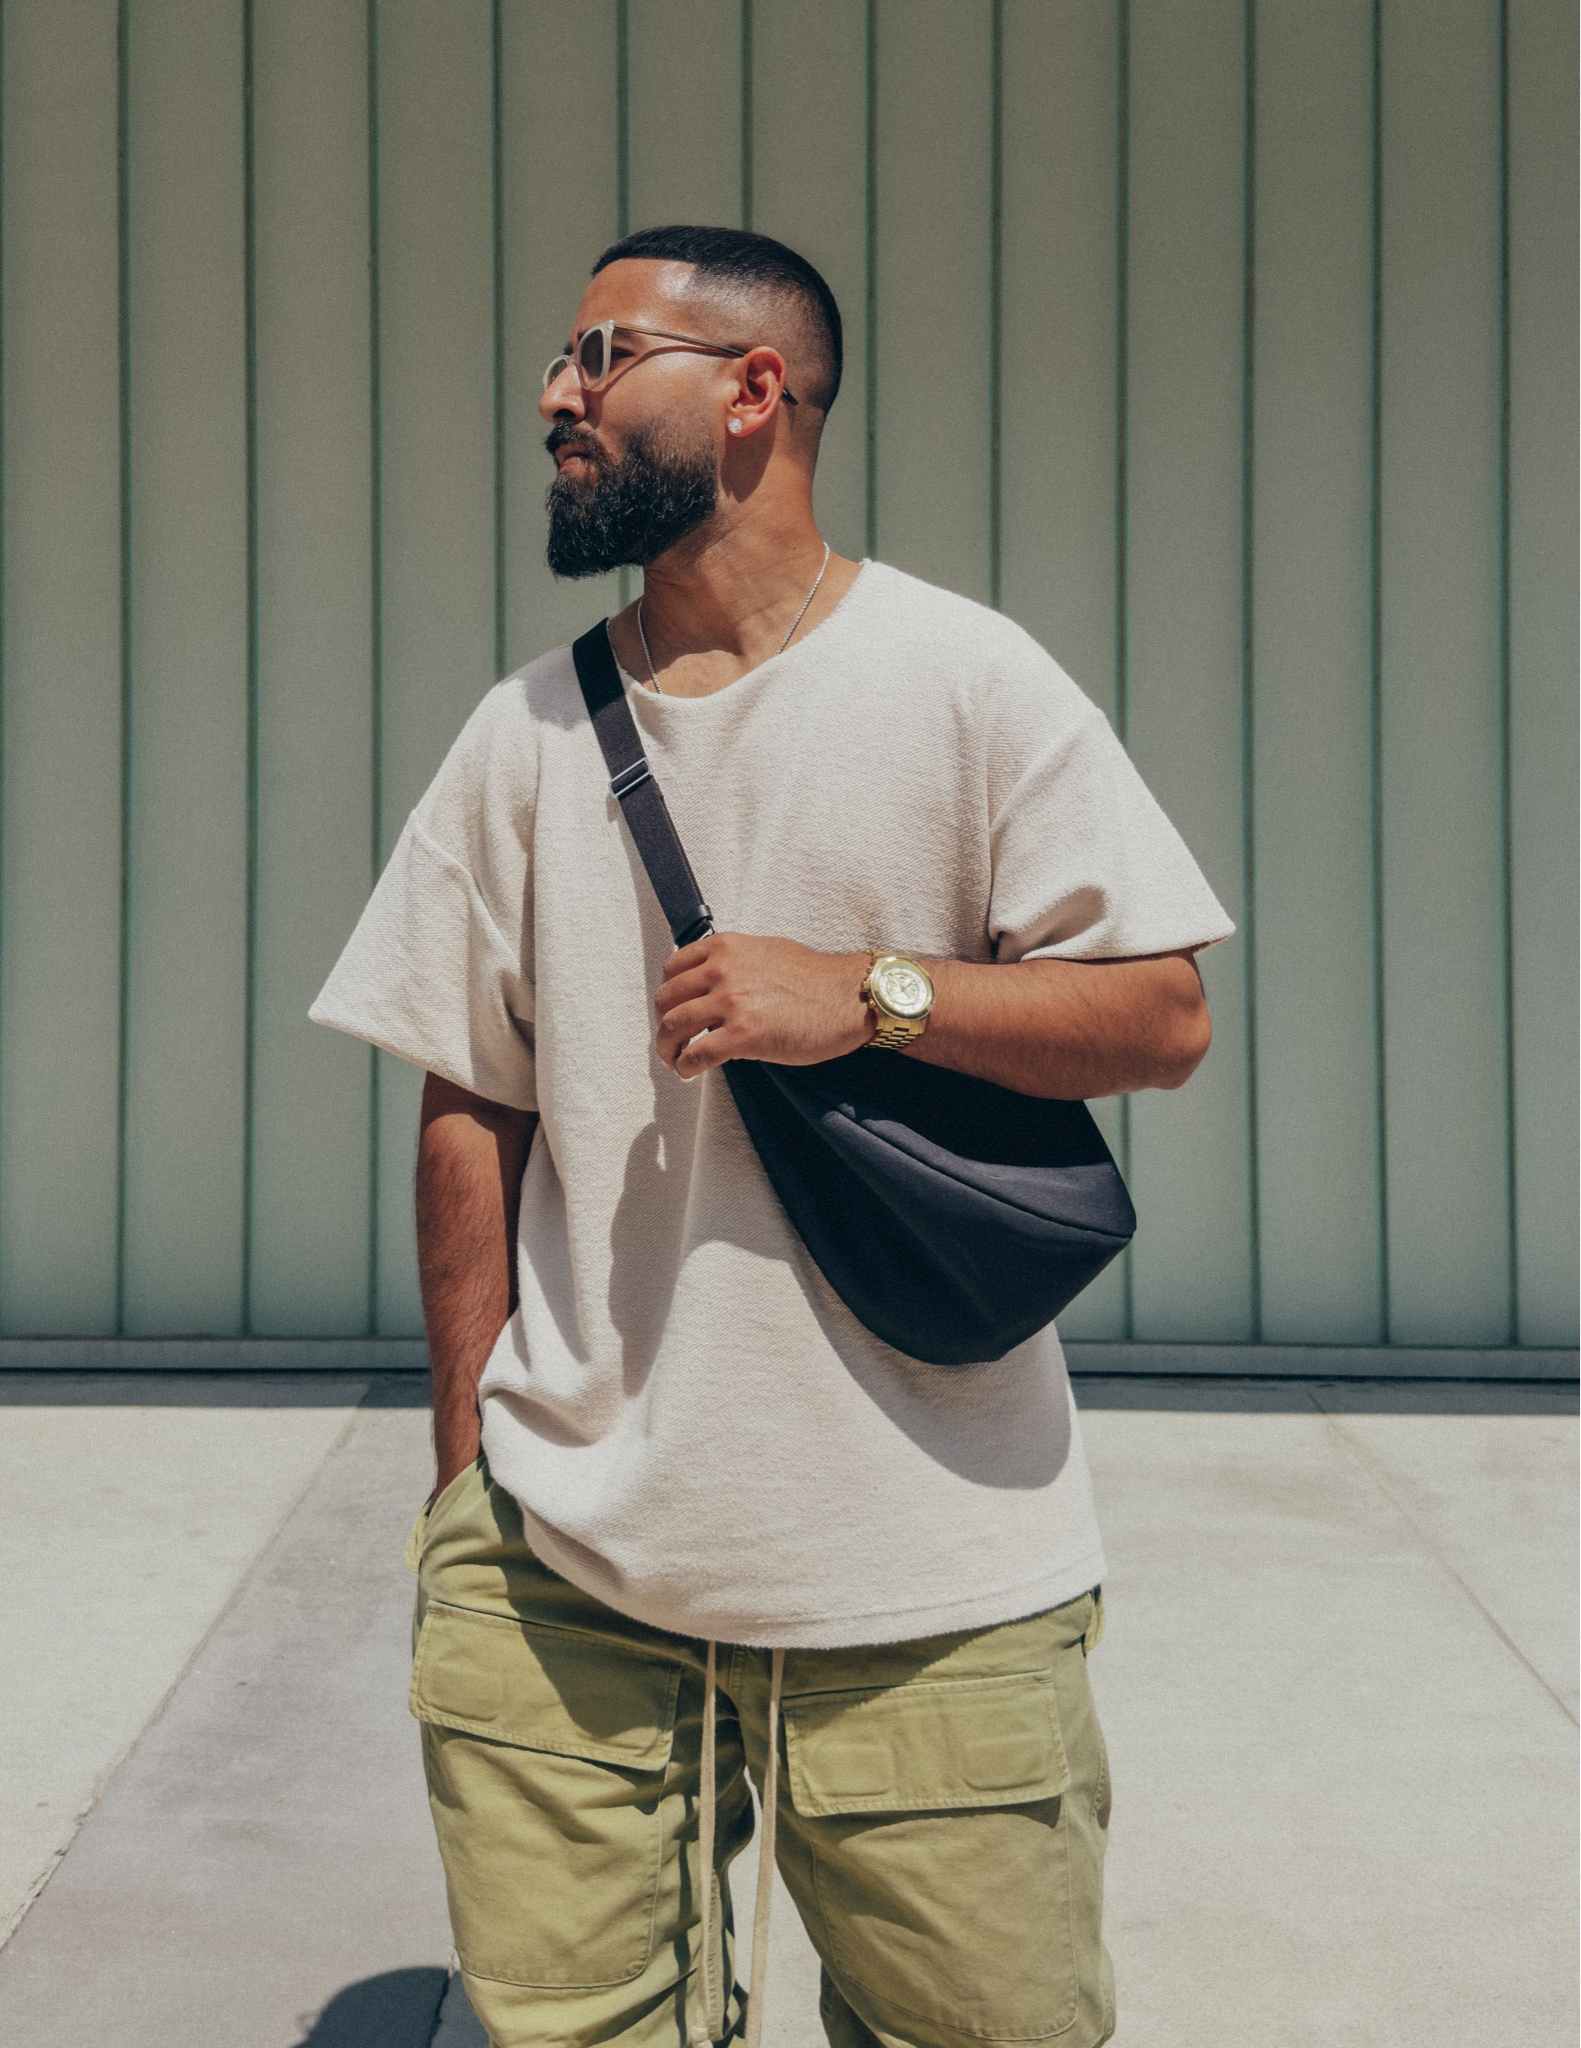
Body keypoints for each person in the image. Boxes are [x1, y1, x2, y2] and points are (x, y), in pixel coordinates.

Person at [311, 224, 1232, 2048]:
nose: (557, 397)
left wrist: (872, 992)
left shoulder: (966, 681)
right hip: (562, 1567)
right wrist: (461, 1487)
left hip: (935, 1564)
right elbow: (467, 1102)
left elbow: (1161, 1012)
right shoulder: (525, 736)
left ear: (752, 395)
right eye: (562, 365)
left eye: (602, 357)